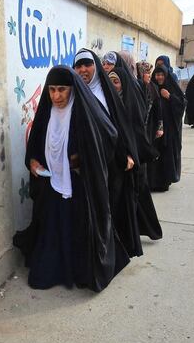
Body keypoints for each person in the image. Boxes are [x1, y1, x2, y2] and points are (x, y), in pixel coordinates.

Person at [13, 66, 129, 291]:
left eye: (62, 90)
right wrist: (33, 162)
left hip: (78, 185)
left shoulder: (83, 112)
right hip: (51, 184)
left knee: (77, 230)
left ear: (72, 89)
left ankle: (77, 271)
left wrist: (83, 158)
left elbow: (109, 136)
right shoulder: (46, 113)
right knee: (52, 231)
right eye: (52, 90)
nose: (56, 96)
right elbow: (35, 145)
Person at [74, 48, 143, 258]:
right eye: (78, 66)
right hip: (87, 162)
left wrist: (127, 154)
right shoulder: (74, 93)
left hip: (113, 161)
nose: (83, 70)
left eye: (88, 64)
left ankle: (113, 250)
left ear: (95, 65)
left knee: (111, 206)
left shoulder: (107, 92)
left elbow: (121, 127)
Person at [112, 54, 163, 241]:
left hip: (136, 155)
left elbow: (141, 121)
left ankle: (147, 231)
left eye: (116, 82)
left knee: (137, 196)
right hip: (122, 159)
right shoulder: (109, 100)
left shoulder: (134, 92)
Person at [147, 65, 185, 192]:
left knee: (166, 156)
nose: (159, 77)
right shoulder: (151, 87)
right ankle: (152, 182)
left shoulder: (171, 88)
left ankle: (164, 183)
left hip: (170, 131)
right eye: (157, 74)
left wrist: (170, 97)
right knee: (155, 155)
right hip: (154, 128)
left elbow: (182, 104)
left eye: (162, 74)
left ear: (166, 75)